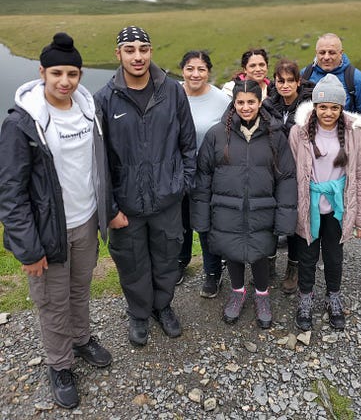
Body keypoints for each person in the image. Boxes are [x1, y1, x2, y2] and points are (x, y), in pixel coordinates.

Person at [0, 32, 111, 410]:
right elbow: (11, 192)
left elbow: (97, 166)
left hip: (85, 220)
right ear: (42, 72)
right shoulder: (21, 124)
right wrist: (28, 249)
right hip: (49, 231)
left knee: (79, 291)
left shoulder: (86, 108)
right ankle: (59, 365)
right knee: (52, 302)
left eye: (73, 74)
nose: (65, 82)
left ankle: (80, 340)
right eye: (57, 73)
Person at [94, 26, 196, 347]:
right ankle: (139, 312)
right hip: (127, 204)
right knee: (132, 262)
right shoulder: (105, 99)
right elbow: (100, 162)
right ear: (119, 54)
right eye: (130, 50)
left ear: (151, 51)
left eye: (143, 49)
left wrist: (182, 184)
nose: (137, 56)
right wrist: (110, 208)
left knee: (167, 257)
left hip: (167, 198)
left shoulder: (172, 91)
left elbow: (188, 144)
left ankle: (162, 306)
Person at [191, 79, 297, 329]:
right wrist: (202, 217)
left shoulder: (275, 135)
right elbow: (203, 177)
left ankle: (262, 296)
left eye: (251, 102)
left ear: (260, 102)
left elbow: (286, 178)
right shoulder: (217, 135)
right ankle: (237, 292)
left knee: (260, 253)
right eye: (240, 102)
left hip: (262, 210)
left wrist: (285, 218)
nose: (246, 107)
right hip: (226, 210)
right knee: (233, 252)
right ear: (234, 103)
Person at [289, 74, 361, 331]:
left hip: (338, 208)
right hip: (308, 207)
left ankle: (333, 295)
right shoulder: (298, 133)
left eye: (334, 107)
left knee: (335, 256)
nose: (328, 112)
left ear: (341, 108)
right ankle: (305, 297)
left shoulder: (354, 133)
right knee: (307, 255)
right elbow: (293, 174)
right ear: (314, 106)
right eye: (323, 106)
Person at [177, 50, 230, 297]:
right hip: (176, 172)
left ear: (208, 71)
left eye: (200, 69)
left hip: (207, 175)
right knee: (180, 223)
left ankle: (212, 272)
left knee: (205, 224)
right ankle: (180, 262)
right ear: (182, 70)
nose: (195, 74)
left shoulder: (221, 100)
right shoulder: (171, 94)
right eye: (190, 68)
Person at [266, 58, 314, 294]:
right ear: (274, 82)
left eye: (290, 81)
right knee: (271, 217)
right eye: (280, 81)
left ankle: (293, 267)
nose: (285, 85)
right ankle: (270, 260)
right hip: (271, 171)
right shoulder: (268, 105)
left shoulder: (309, 108)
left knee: (295, 220)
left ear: (298, 82)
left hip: (297, 172)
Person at [301, 33, 361, 113]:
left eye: (332, 53)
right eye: (322, 52)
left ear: (341, 53)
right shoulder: (305, 74)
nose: (326, 57)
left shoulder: (357, 79)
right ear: (316, 53)